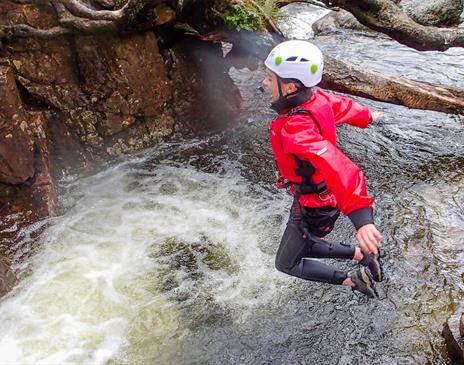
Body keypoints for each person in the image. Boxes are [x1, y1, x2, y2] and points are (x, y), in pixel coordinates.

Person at [262, 40, 383, 298]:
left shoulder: (297, 128)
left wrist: (361, 219)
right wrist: (365, 115)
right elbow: (342, 106)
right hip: (321, 198)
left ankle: (353, 279)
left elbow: (338, 166)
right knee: (301, 241)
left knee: (286, 262)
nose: (264, 83)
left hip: (315, 205)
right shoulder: (317, 99)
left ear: (291, 86)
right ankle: (363, 255)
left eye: (270, 78)